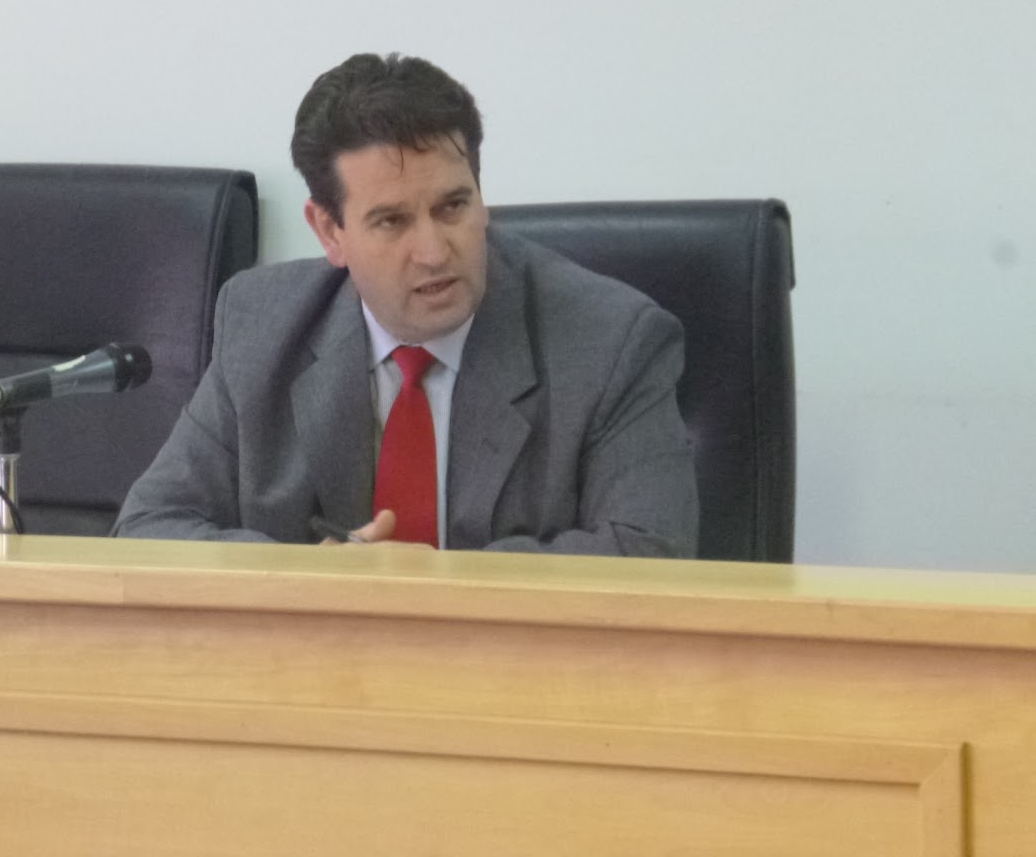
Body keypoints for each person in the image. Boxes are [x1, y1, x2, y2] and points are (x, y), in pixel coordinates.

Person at [114, 53, 697, 556]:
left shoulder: (609, 341)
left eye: (453, 207)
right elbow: (147, 528)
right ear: (330, 232)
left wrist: (429, 586)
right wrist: (306, 581)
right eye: (392, 221)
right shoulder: (261, 325)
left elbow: (651, 552)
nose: (434, 252)